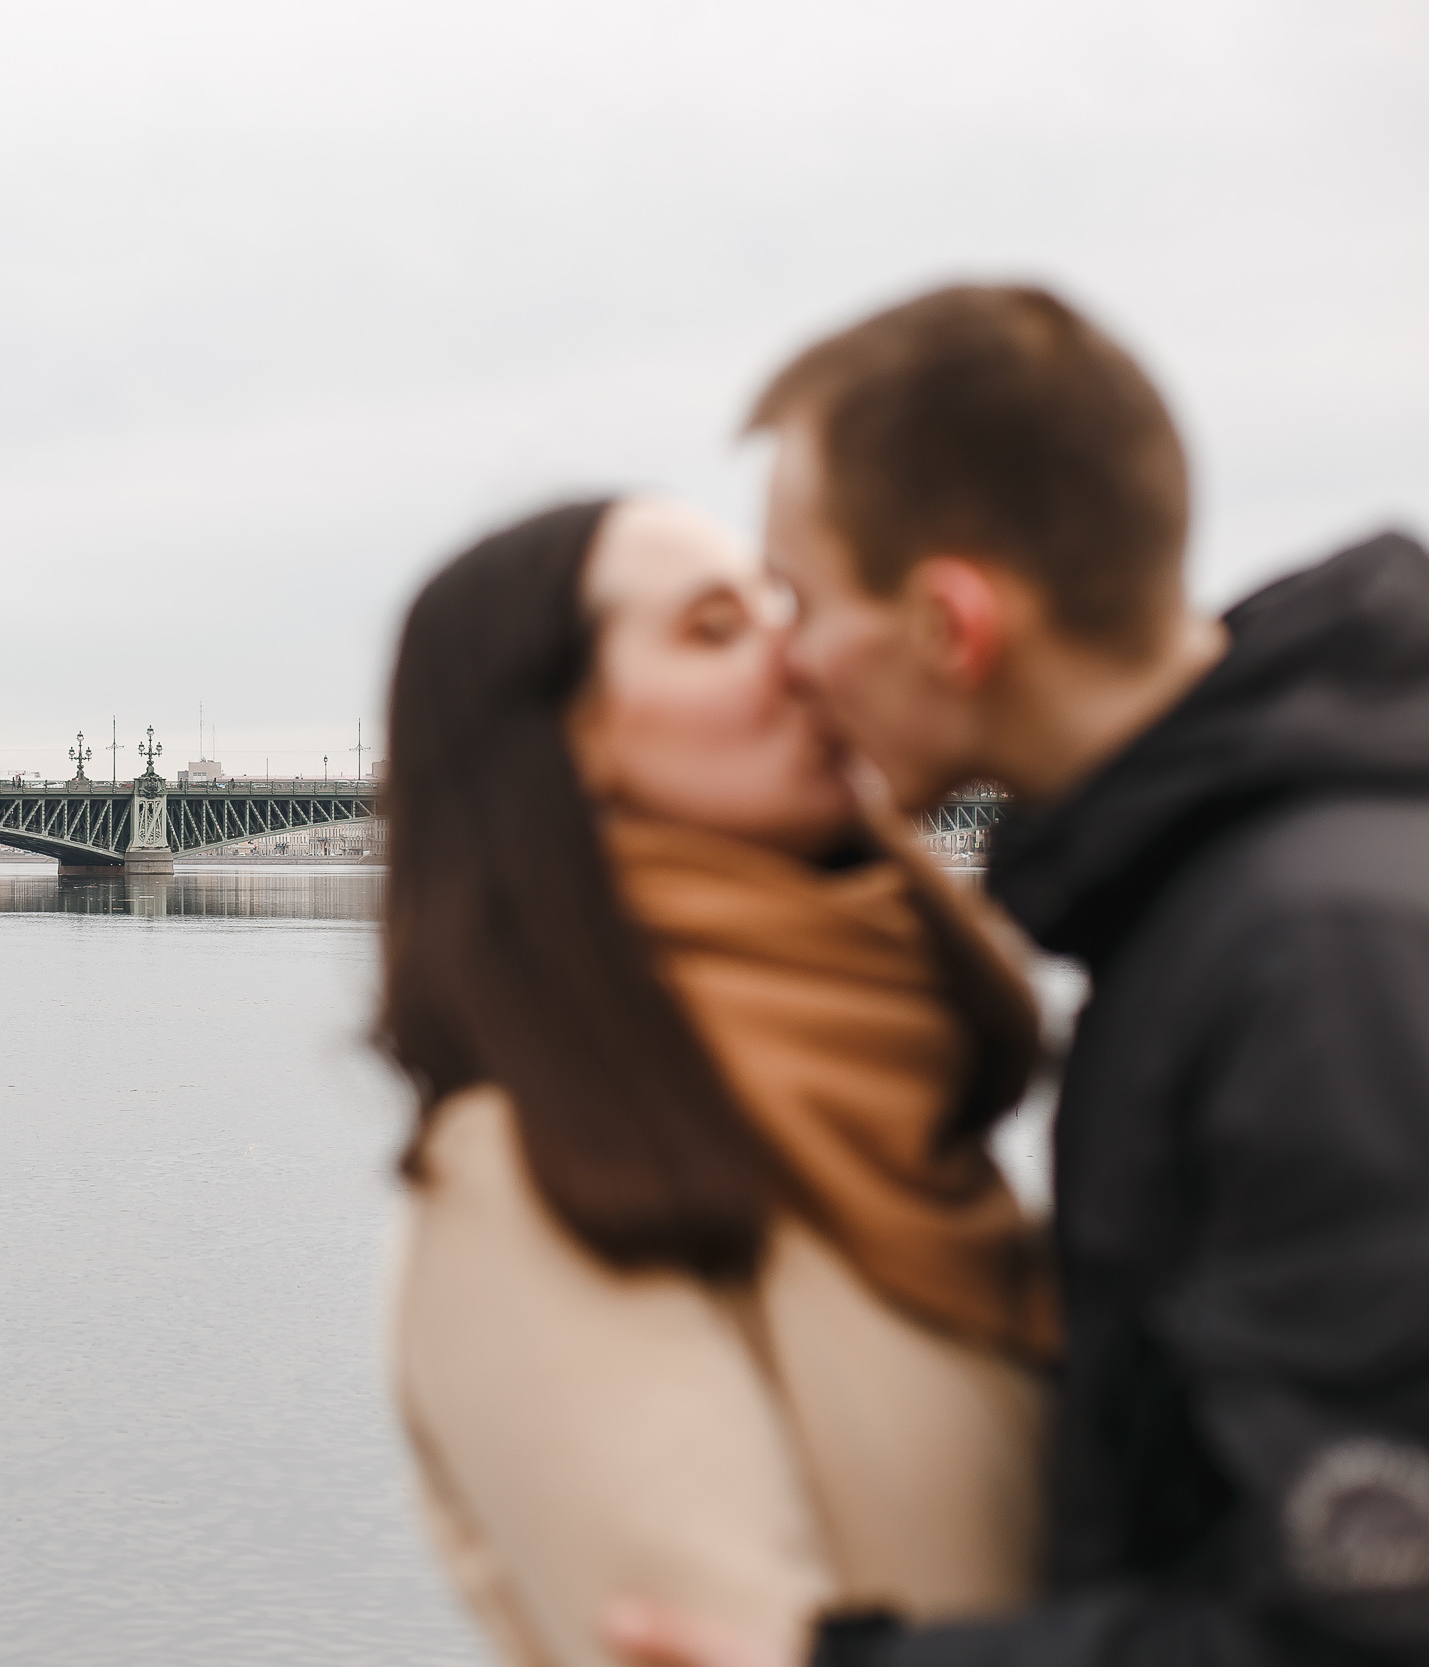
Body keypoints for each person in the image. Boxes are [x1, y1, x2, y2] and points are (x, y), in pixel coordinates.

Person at [608, 286, 1429, 1667]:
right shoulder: (1242, 904)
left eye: (801, 600)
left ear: (951, 625)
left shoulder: (1314, 957)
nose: (787, 663)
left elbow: (1365, 1626)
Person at [381, 492, 1060, 1667]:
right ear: (563, 741)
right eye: (714, 628)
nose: (802, 656)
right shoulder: (536, 1169)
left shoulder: (905, 1098)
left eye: (783, 607)